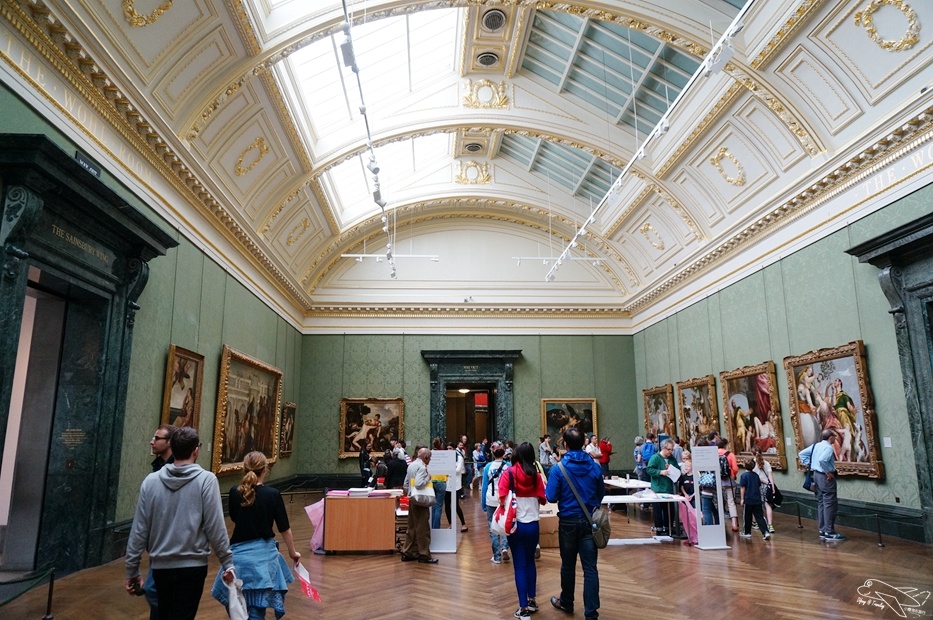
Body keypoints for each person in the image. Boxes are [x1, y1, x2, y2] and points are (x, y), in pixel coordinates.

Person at [124, 427, 235, 620]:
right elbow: (214, 526)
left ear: (172, 448)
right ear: (196, 450)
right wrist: (227, 562)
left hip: (160, 567)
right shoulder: (206, 480)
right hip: (193, 567)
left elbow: (139, 529)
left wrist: (132, 569)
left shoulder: (151, 481)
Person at [210, 451, 301, 619]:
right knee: (257, 610)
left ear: (244, 469)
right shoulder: (272, 494)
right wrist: (292, 553)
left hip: (238, 559)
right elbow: (284, 528)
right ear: (265, 470)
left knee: (237, 605)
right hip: (263, 560)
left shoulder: (234, 492)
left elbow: (237, 518)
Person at [546, 427, 604, 620]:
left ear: (565, 444)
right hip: (589, 522)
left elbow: (551, 497)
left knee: (568, 565)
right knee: (590, 568)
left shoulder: (558, 469)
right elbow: (601, 495)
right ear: (584, 443)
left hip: (568, 522)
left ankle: (567, 602)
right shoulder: (595, 467)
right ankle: (591, 614)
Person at [500, 442, 547, 620]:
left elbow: (501, 498)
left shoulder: (509, 473)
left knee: (519, 565)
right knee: (530, 563)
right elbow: (543, 500)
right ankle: (532, 600)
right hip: (533, 525)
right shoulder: (536, 475)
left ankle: (524, 609)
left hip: (516, 525)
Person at [142, 426, 175, 620]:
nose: (151, 441)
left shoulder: (179, 469)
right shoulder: (156, 468)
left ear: (169, 442)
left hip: (172, 540)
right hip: (157, 540)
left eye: (157, 438)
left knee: (156, 590)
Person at [799, 429, 845, 541]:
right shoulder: (828, 447)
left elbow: (801, 454)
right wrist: (827, 472)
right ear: (830, 438)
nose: (835, 438)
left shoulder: (816, 446)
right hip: (825, 478)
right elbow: (822, 460)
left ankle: (822, 530)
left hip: (816, 476)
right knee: (829, 503)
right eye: (834, 436)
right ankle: (829, 532)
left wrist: (809, 464)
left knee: (821, 502)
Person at [401, 447, 439, 563]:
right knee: (423, 528)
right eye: (429, 457)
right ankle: (424, 554)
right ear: (425, 457)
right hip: (421, 500)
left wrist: (410, 493)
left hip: (412, 499)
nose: (430, 460)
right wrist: (428, 477)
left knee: (411, 527)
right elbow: (418, 484)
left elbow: (406, 483)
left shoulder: (411, 465)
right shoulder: (422, 467)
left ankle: (407, 552)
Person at [483, 442, 511, 563]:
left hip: (491, 499)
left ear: (492, 453)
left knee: (492, 526)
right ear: (504, 453)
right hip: (505, 499)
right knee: (505, 523)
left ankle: (497, 556)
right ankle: (504, 547)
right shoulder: (508, 465)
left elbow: (484, 486)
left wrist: (483, 502)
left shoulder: (488, 466)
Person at [646, 438, 680, 536]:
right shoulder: (655, 458)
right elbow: (649, 470)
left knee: (669, 510)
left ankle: (669, 527)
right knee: (658, 509)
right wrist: (660, 472)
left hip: (669, 488)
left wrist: (673, 469)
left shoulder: (672, 459)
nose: (671, 451)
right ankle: (659, 529)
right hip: (658, 488)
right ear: (663, 448)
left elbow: (677, 468)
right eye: (669, 449)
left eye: (672, 449)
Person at [738, 457, 771, 541]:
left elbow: (743, 488)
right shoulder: (756, 475)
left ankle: (747, 532)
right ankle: (765, 532)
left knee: (747, 516)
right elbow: (759, 487)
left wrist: (742, 499)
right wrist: (760, 496)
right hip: (757, 499)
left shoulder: (743, 476)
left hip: (748, 499)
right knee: (760, 516)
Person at [717, 437, 740, 532]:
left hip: (717, 481)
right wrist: (733, 475)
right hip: (729, 480)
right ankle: (734, 524)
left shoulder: (713, 454)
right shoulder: (730, 455)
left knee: (718, 502)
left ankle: (720, 522)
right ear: (725, 445)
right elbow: (735, 468)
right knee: (731, 502)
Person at [752, 446, 776, 533]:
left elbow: (753, 476)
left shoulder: (752, 463)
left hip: (756, 486)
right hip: (767, 486)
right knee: (768, 505)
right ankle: (770, 525)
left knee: (756, 505)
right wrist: (772, 486)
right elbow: (770, 476)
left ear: (752, 453)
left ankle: (756, 523)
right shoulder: (766, 463)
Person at [446, 441, 468, 532]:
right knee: (447, 505)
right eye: (447, 448)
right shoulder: (446, 458)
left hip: (456, 484)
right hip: (447, 484)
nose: (448, 450)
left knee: (455, 505)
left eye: (450, 448)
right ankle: (450, 524)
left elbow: (458, 470)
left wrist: (448, 470)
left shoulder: (459, 458)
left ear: (454, 448)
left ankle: (463, 524)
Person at [677, 451, 698, 545]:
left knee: (694, 513)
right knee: (686, 515)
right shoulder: (683, 476)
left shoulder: (695, 476)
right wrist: (685, 495)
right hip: (686, 496)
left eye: (688, 466)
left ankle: (696, 533)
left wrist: (692, 495)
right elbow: (681, 486)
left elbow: (698, 486)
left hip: (693, 496)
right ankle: (689, 534)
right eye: (685, 466)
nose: (686, 468)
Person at [430, 437, 448, 529]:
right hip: (441, 480)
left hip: (431, 480)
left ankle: (433, 527)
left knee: (433, 506)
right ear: (440, 445)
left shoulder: (429, 453)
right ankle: (436, 528)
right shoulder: (443, 454)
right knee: (439, 506)